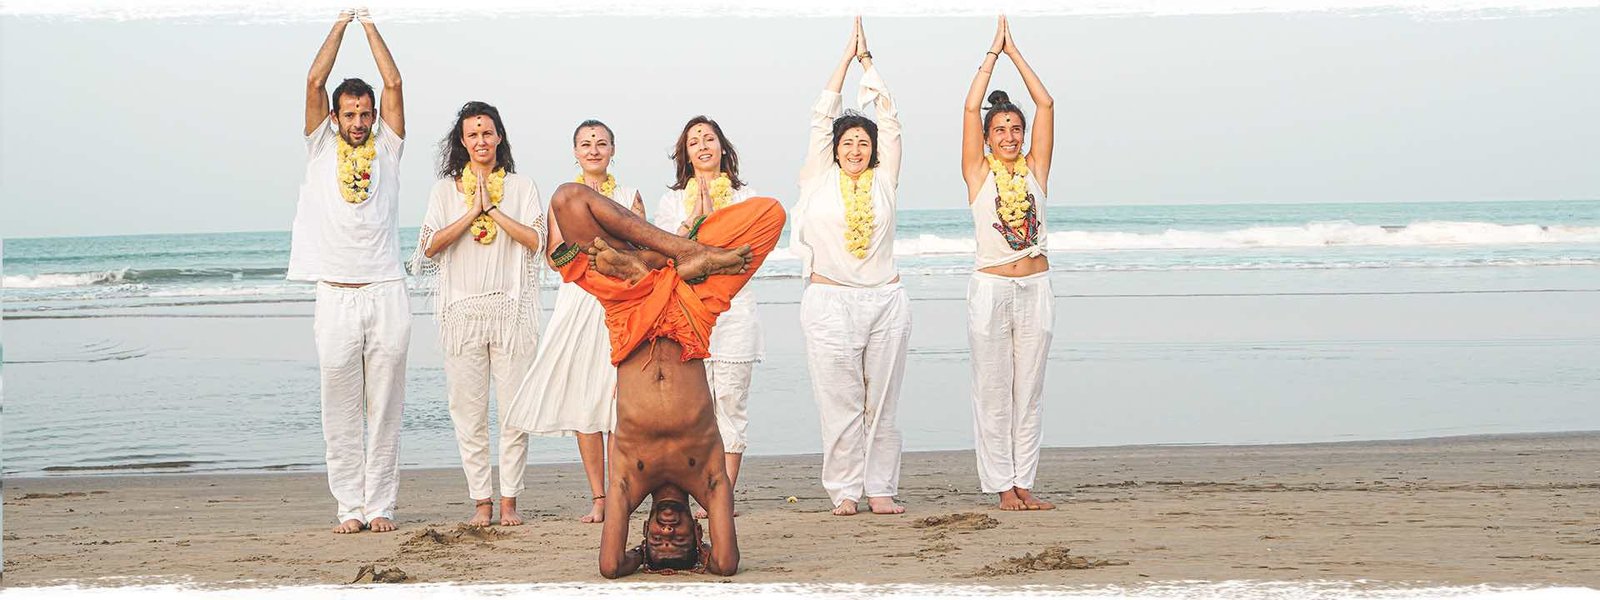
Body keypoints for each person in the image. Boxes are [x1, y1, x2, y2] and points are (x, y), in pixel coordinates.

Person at [539, 183, 785, 578]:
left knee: (567, 200)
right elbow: (725, 564)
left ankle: (649, 261)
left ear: (644, 531)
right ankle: (673, 254)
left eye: (658, 539)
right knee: (770, 214)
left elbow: (609, 566)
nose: (668, 530)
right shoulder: (707, 479)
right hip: (693, 306)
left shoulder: (630, 482)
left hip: (629, 306)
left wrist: (637, 557)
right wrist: (705, 558)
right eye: (679, 539)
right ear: (698, 532)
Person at [287, 8, 408, 535]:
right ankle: (349, 509)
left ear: (374, 116)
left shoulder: (387, 147)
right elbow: (314, 79)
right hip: (334, 294)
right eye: (349, 114)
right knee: (339, 405)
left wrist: (370, 23)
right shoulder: (319, 148)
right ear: (335, 118)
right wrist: (341, 22)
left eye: (365, 113)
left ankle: (381, 504)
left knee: (385, 406)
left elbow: (395, 81)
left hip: (386, 291)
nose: (358, 123)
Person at [790, 18, 909, 516]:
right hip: (828, 300)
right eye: (847, 143)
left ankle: (880, 487)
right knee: (838, 403)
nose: (856, 149)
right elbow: (822, 116)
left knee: (880, 402)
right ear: (835, 151)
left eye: (864, 143)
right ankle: (845, 490)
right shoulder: (818, 178)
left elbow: (891, 116)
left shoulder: (884, 180)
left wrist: (870, 64)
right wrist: (844, 58)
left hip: (885, 300)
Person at [411, 101, 546, 527]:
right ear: (462, 141)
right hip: (462, 313)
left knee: (514, 413)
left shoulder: (522, 187)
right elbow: (429, 247)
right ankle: (481, 503)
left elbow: (536, 241)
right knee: (467, 413)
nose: (481, 140)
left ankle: (509, 502)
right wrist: (472, 211)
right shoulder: (444, 191)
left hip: (510, 311)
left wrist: (495, 211)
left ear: (499, 137)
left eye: (487, 132)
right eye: (473, 134)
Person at [503, 119, 644, 524]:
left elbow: (641, 248)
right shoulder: (563, 199)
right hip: (579, 299)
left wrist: (615, 263)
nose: (594, 150)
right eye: (586, 144)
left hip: (620, 300)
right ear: (576, 153)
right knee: (585, 400)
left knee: (617, 401)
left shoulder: (629, 195)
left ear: (613, 149)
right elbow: (553, 255)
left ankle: (622, 491)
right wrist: (586, 263)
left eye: (601, 143)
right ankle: (599, 496)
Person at [961, 16, 1058, 511]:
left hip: (1036, 286)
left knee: (1030, 389)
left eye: (1016, 129)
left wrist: (1017, 53)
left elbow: (1046, 103)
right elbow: (971, 105)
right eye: (1001, 129)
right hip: (992, 290)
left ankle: (1025, 480)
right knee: (995, 390)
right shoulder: (978, 173)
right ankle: (1002, 484)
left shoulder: (1035, 171)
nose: (1011, 135)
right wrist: (992, 56)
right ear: (986, 138)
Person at [652, 116, 762, 516]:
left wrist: (716, 215)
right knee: (693, 408)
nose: (702, 145)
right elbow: (668, 254)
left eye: (709, 138)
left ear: (722, 146)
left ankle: (724, 494)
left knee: (731, 403)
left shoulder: (746, 194)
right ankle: (697, 488)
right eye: (694, 140)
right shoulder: (670, 201)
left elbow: (748, 250)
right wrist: (693, 216)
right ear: (685, 153)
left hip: (735, 312)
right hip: (689, 313)